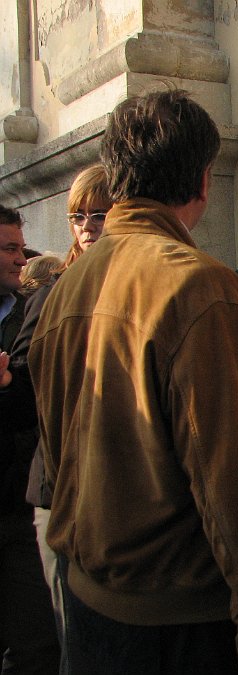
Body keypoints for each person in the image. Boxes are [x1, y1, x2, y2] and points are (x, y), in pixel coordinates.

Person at [27, 89, 238, 673]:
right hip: (175, 625)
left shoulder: (68, 287)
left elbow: (57, 456)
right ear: (205, 182)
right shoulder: (198, 286)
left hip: (86, 601)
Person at [5, 165, 113, 674]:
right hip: (64, 491)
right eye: (77, 216)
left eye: (98, 213)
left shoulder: (136, 286)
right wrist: (8, 386)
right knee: (74, 640)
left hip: (125, 489)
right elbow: (23, 395)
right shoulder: (50, 294)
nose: (87, 226)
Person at [0, 205, 60, 674]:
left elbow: (27, 402)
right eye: (9, 249)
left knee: (35, 642)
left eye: (21, 248)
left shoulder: (30, 308)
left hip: (13, 504)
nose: (21, 260)